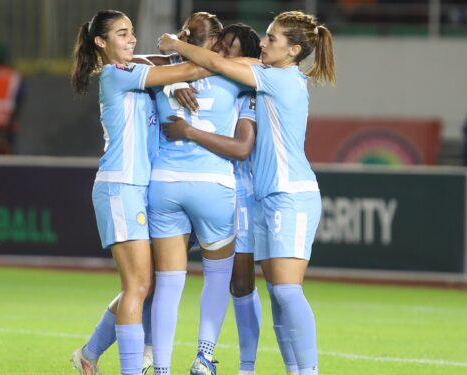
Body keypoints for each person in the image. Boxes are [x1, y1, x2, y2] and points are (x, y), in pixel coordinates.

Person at [159, 10, 336, 375]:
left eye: (272, 39)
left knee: (287, 292)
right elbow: (224, 62)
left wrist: (174, 45)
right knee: (277, 295)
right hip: (269, 197)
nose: (264, 43)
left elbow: (215, 62)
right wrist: (174, 81)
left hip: (292, 195)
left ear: (294, 50)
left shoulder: (281, 79)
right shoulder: (275, 74)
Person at [68, 11, 221, 375]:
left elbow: (168, 73)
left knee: (145, 285)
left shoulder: (137, 74)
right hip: (121, 186)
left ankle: (89, 355)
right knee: (138, 284)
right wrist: (199, 58)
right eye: (122, 33)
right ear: (101, 43)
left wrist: (167, 85)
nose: (132, 38)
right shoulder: (116, 74)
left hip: (141, 189)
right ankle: (131, 367)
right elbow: (190, 70)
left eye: (132, 31)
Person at [160, 23, 263, 375]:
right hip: (201, 185)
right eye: (222, 45)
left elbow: (242, 149)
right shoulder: (199, 77)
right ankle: (147, 355)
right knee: (152, 279)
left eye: (233, 49)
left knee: (241, 283)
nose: (223, 54)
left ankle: (243, 367)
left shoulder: (247, 85)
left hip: (238, 191)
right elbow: (151, 61)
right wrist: (175, 75)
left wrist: (189, 130)